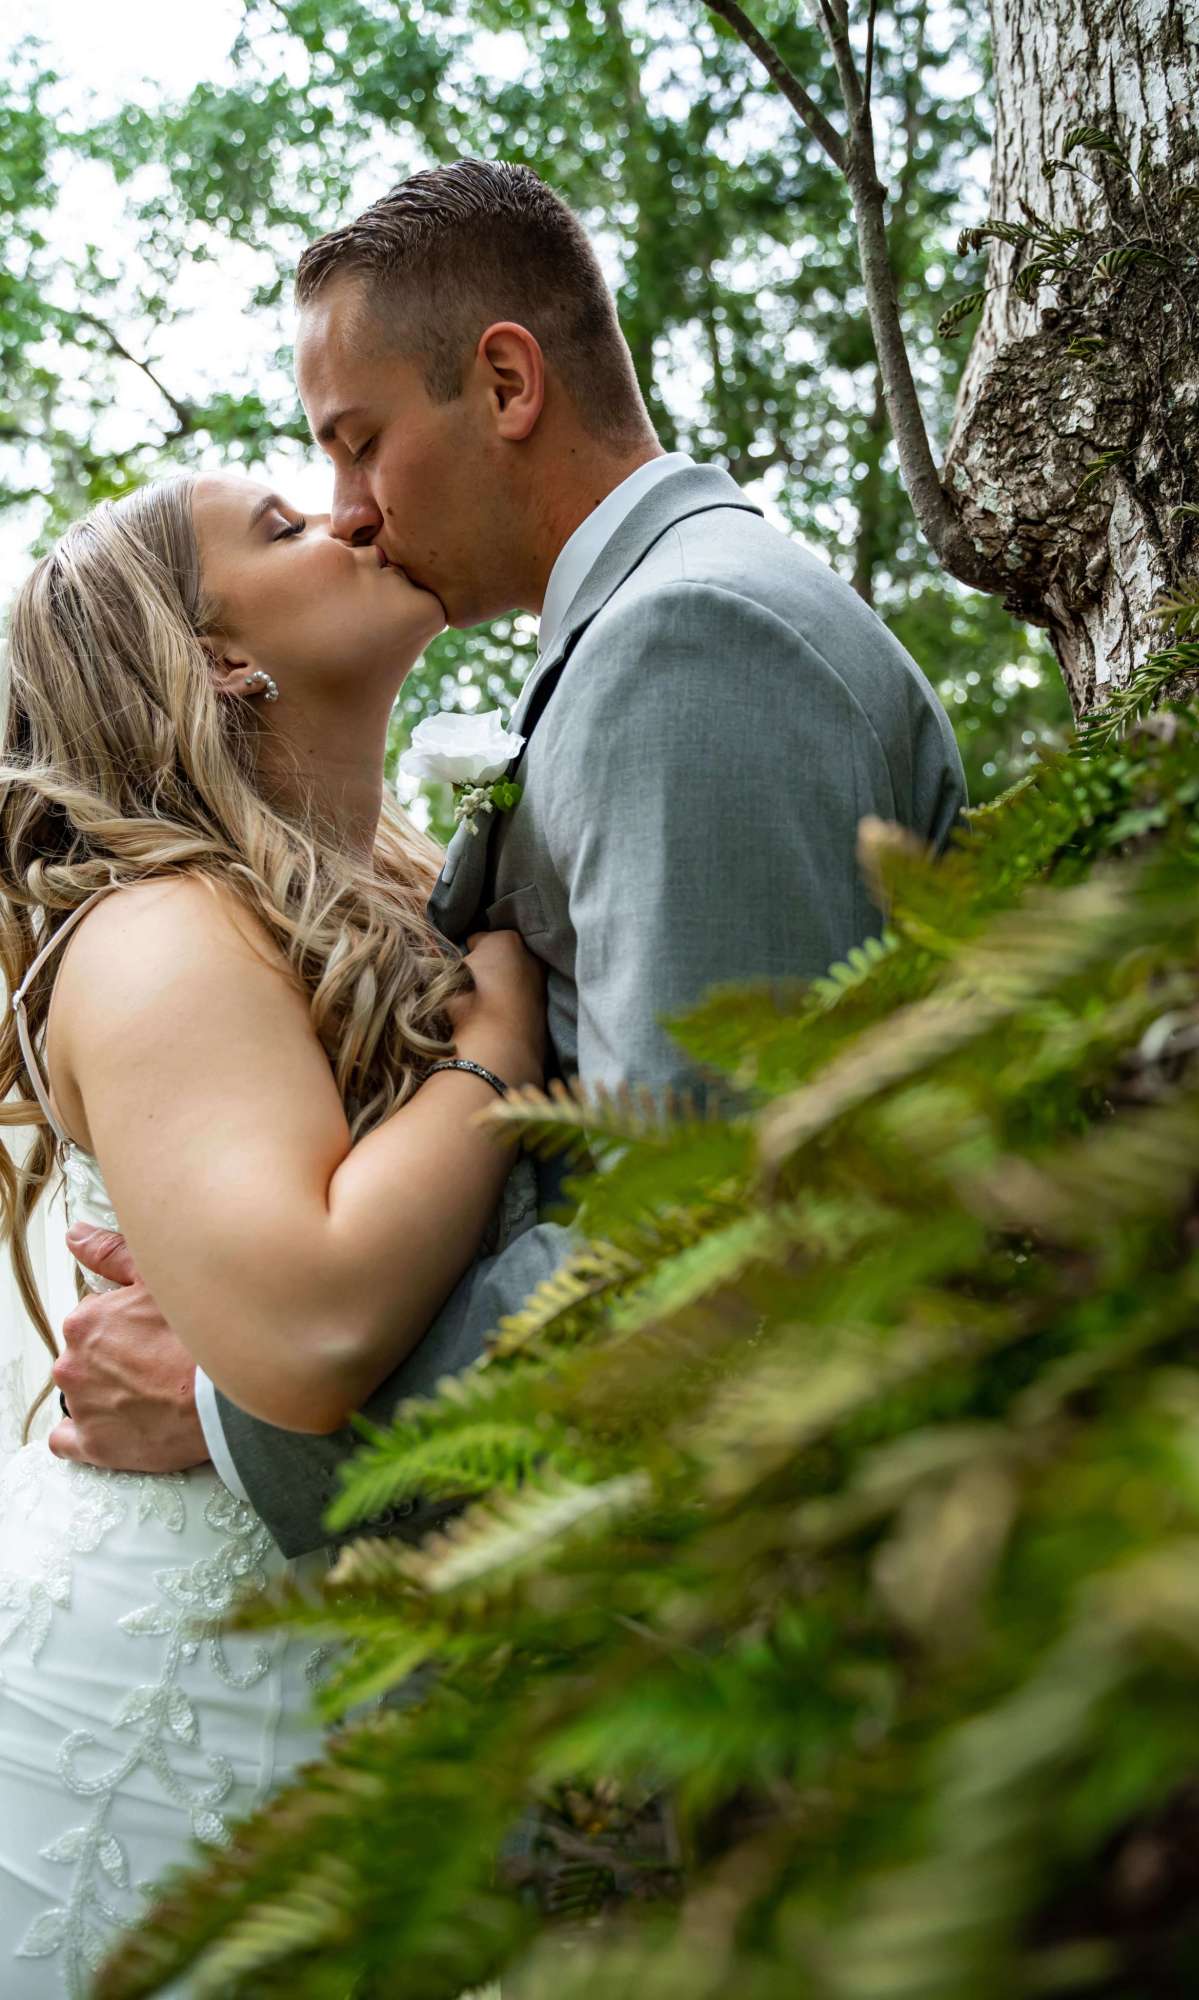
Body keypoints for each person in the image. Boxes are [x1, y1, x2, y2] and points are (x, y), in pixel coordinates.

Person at [54, 159, 968, 1552]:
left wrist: (238, 1411)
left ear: (504, 384)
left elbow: (711, 1245)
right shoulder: (646, 638)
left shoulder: (690, 641)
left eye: (355, 443)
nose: (349, 507)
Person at [0, 472, 546, 1993]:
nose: (358, 515)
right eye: (283, 528)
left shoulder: (405, 893)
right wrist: (493, 1057)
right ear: (217, 658)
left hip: (354, 1679)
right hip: (157, 1705)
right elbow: (306, 1328)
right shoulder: (163, 926)